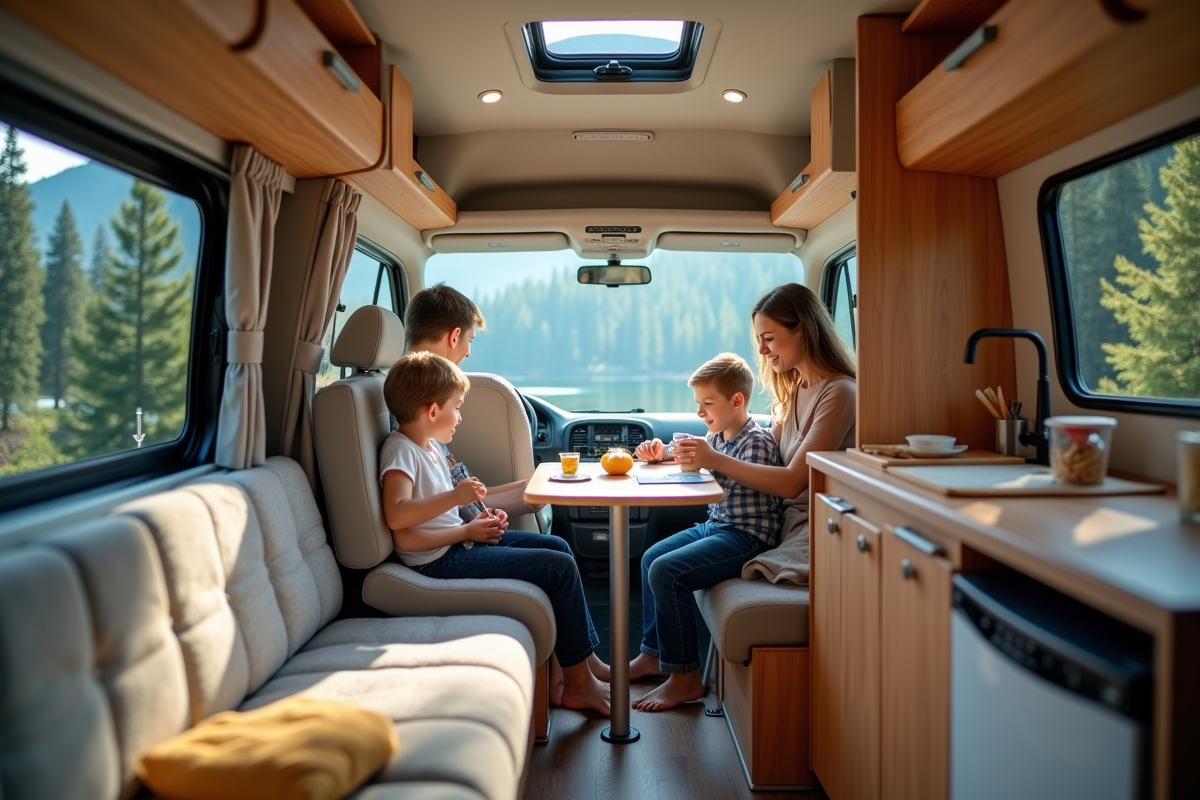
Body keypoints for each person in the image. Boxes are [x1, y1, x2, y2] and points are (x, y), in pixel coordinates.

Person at [378, 351, 611, 714]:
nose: (460, 417)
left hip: (457, 544)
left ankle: (583, 665)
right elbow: (398, 519)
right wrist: (461, 521)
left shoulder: (431, 448)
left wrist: (478, 522)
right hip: (436, 562)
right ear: (432, 410)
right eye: (456, 407)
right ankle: (578, 685)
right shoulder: (400, 451)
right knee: (558, 569)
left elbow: (440, 515)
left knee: (559, 547)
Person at [628, 353, 783, 712]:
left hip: (748, 535)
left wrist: (708, 458)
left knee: (667, 572)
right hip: (719, 525)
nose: (700, 412)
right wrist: (659, 453)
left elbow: (734, 471)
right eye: (698, 404)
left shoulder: (755, 442)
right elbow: (691, 455)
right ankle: (653, 656)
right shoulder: (718, 433)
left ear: (737, 401)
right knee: (651, 556)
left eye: (707, 403)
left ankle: (686, 677)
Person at [673, 283, 856, 562]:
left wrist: (715, 459)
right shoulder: (796, 391)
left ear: (802, 329)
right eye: (760, 339)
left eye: (768, 338)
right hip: (786, 520)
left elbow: (793, 483)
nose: (761, 350)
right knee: (656, 560)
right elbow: (764, 444)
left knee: (666, 570)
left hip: (813, 525)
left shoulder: (839, 392)